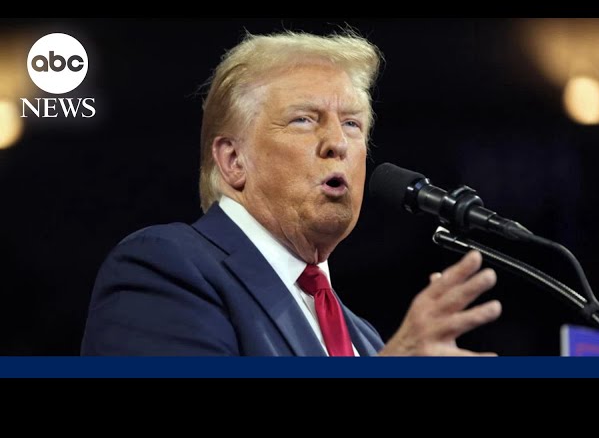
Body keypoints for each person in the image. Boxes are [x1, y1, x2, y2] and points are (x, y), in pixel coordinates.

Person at [81, 30, 501, 356]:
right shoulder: (165, 267)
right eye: (304, 120)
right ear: (233, 159)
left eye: (352, 124)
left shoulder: (367, 341)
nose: (337, 143)